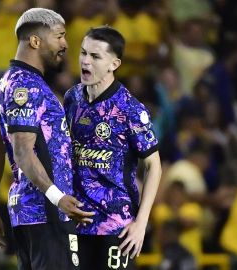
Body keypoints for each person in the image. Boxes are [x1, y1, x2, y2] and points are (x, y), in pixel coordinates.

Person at [0, 8, 94, 270]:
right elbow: (22, 152)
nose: (65, 44)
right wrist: (58, 198)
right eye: (60, 36)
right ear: (35, 41)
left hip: (29, 214)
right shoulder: (27, 87)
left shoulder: (9, 82)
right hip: (48, 214)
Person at [64, 26, 162, 270]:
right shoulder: (72, 98)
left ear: (114, 64)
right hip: (75, 224)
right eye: (83, 53)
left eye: (95, 57)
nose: (85, 61)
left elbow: (154, 166)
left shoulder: (130, 109)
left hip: (116, 226)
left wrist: (141, 223)